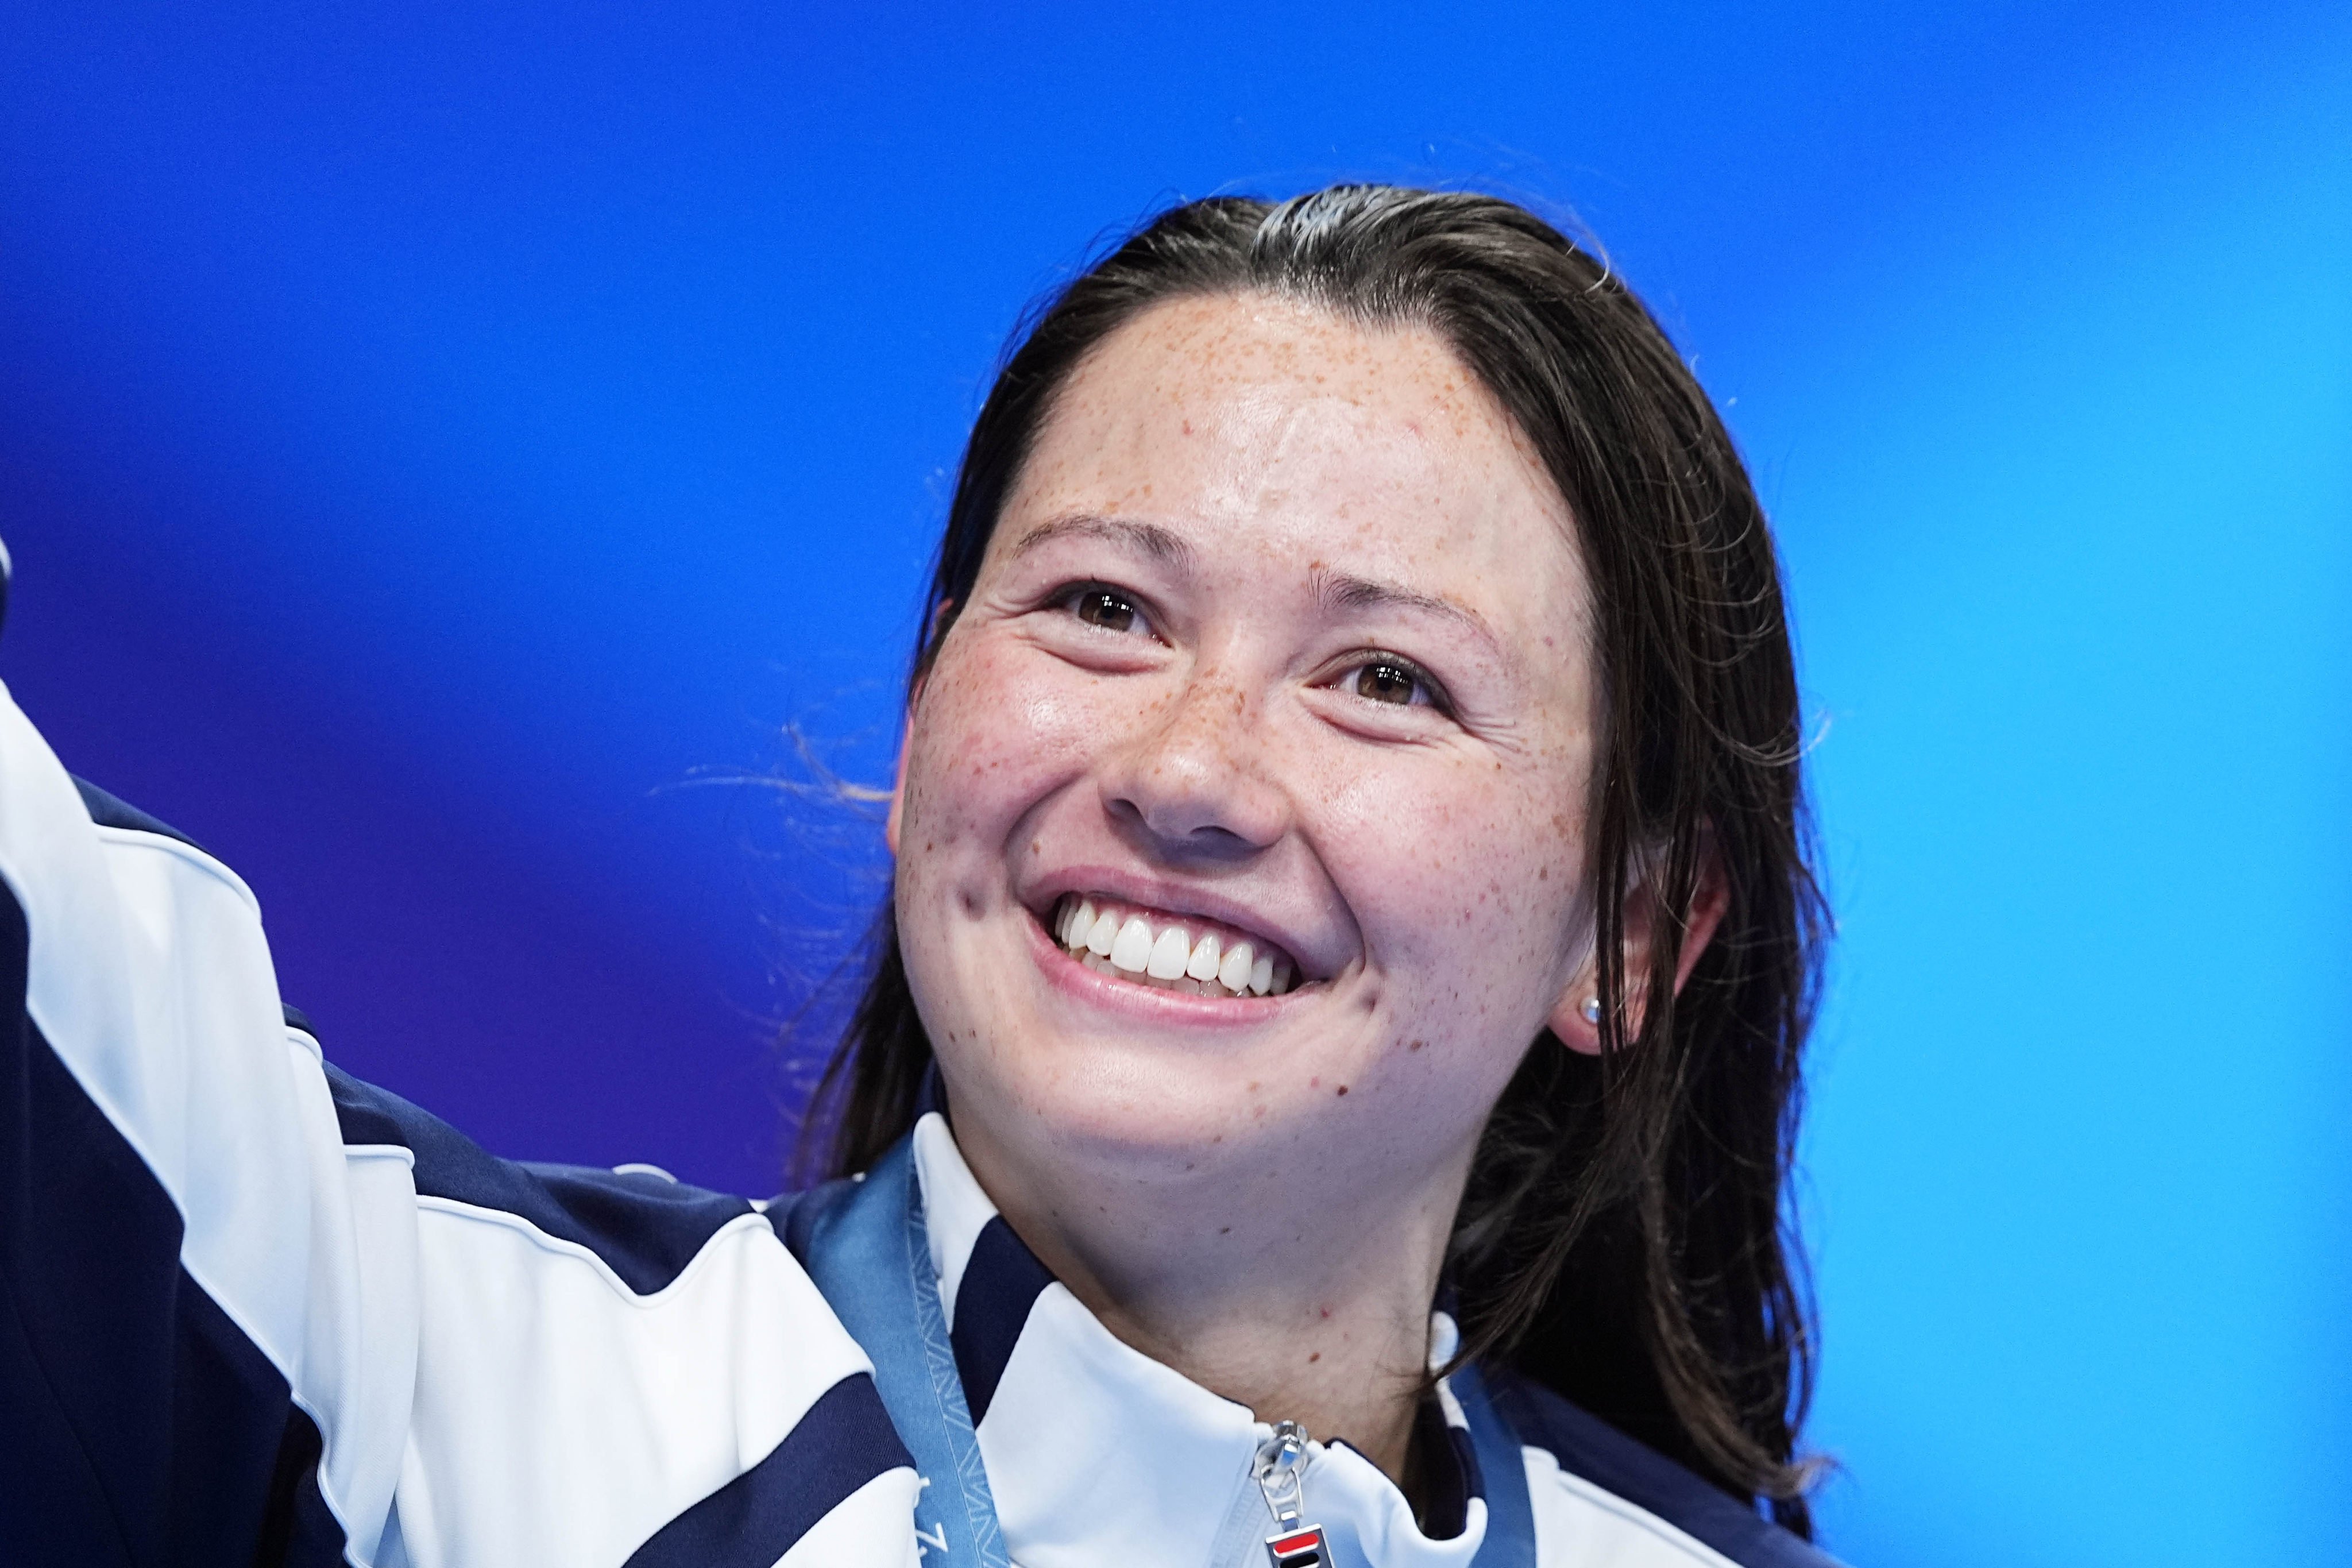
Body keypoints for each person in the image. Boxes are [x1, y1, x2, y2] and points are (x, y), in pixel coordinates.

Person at [0, 186, 1836, 1567]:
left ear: (1635, 934)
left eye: (1385, 680)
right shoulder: (439, 1373)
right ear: (929, 711)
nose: (1188, 771)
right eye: (1104, 610)